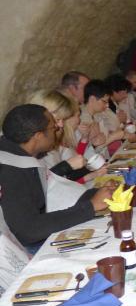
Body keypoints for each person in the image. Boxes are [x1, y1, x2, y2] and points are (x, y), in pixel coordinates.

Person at [0, 105, 113, 252]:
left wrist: (96, 194)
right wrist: (90, 207)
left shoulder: (18, 154)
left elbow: (56, 191)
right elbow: (28, 231)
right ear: (38, 136)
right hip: (20, 250)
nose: (58, 129)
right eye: (53, 128)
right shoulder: (10, 171)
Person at [28, 89, 106, 183]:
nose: (61, 125)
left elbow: (69, 174)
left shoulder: (55, 139)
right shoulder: (34, 148)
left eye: (63, 119)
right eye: (58, 119)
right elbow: (44, 184)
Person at [81, 79, 126, 158]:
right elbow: (87, 153)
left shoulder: (96, 115)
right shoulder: (82, 119)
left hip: (104, 158)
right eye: (104, 101)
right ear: (92, 99)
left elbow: (113, 127)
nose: (107, 105)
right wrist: (112, 137)